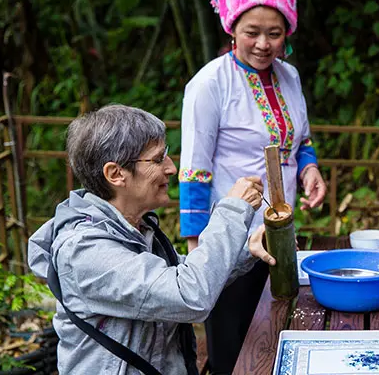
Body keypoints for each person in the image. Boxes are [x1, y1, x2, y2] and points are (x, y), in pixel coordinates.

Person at [27, 104, 265, 374]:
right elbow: (190, 294)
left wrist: (248, 251)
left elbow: (182, 275)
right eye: (158, 159)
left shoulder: (133, 227)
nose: (171, 168)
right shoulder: (85, 251)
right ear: (116, 174)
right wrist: (232, 210)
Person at [178, 0, 326, 373]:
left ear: (288, 32)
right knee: (232, 352)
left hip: (279, 236)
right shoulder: (209, 85)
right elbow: (194, 170)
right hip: (229, 246)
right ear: (231, 29)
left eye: (274, 33)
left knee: (274, 339)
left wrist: (310, 168)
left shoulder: (290, 77)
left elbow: (301, 138)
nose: (264, 44)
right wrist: (198, 259)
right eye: (252, 32)